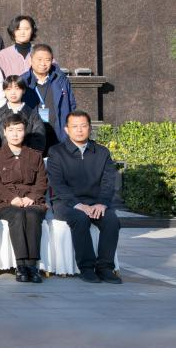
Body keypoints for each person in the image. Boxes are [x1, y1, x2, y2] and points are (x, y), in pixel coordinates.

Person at [46, 111, 122, 284]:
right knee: (80, 218)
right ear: (66, 129)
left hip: (95, 202)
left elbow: (108, 182)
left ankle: (105, 267)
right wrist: (77, 204)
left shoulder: (102, 152)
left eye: (83, 126)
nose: (79, 130)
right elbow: (57, 184)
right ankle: (87, 268)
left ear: (90, 128)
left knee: (111, 220)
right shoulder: (57, 152)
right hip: (66, 202)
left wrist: (102, 203)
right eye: (75, 126)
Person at [0, 113, 49, 283]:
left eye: (19, 130)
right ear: (4, 132)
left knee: (32, 215)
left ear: (25, 132)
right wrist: (12, 198)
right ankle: (21, 265)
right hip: (6, 202)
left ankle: (32, 265)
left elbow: (42, 182)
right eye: (11, 130)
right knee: (17, 215)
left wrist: (32, 197)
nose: (15, 134)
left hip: (32, 201)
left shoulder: (35, 155)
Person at [20, 44, 76, 149]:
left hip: (59, 134)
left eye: (47, 60)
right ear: (30, 61)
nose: (43, 63)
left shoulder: (61, 79)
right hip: (33, 135)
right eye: (39, 59)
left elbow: (71, 104)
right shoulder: (23, 81)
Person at [0, 76, 47, 152]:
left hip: (27, 156)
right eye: (9, 89)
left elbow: (39, 140)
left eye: (17, 89)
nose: (13, 93)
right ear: (4, 91)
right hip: (2, 157)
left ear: (23, 90)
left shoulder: (33, 115)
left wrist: (27, 155)